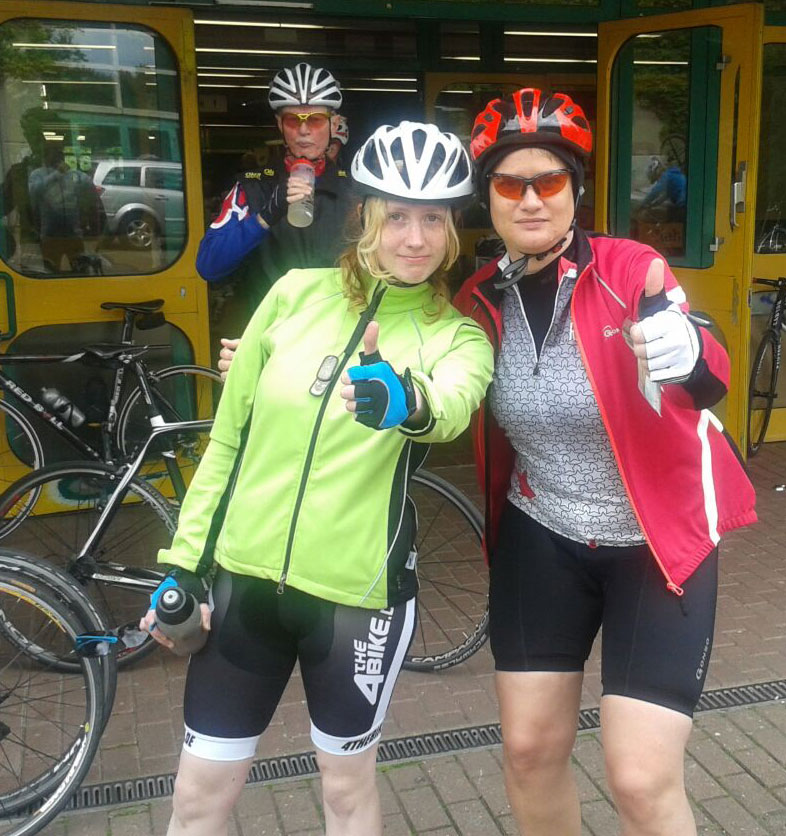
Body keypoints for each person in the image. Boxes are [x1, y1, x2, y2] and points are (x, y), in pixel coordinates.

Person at [141, 120, 493, 836]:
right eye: (397, 216)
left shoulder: (458, 336)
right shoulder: (292, 294)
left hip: (357, 599)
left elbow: (450, 406)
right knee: (197, 799)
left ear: (453, 229)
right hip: (243, 584)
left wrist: (402, 398)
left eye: (433, 219)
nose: (416, 238)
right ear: (364, 215)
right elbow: (227, 443)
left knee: (345, 791)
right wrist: (184, 564)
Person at [453, 88, 757, 836]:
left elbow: (704, 362)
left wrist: (690, 350)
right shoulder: (477, 300)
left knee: (641, 780)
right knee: (528, 752)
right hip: (542, 535)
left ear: (575, 190)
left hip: (653, 542)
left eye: (548, 181)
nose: (530, 200)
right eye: (509, 184)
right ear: (488, 199)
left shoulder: (630, 269)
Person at [196, 62, 356, 309]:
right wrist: (264, 217)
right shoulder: (252, 186)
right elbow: (208, 266)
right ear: (279, 124)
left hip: (338, 327)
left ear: (333, 124)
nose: (303, 130)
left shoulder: (355, 189)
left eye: (315, 120)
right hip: (272, 327)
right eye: (293, 120)